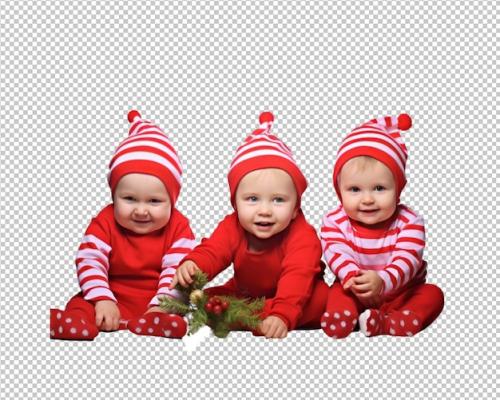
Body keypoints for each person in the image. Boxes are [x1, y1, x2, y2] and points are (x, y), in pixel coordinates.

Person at [171, 112, 328, 339]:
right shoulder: (233, 226)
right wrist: (194, 264)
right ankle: (245, 315)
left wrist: (282, 314)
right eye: (252, 199)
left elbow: (298, 276)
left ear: (295, 208)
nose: (264, 210)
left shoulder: (303, 236)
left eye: (278, 200)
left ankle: (252, 318)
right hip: (248, 294)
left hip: (296, 295)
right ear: (235, 203)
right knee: (205, 299)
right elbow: (214, 251)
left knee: (320, 300)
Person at [50, 110, 196, 340]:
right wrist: (102, 299)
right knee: (80, 304)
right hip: (109, 297)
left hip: (157, 301)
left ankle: (158, 321)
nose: (140, 210)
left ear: (172, 200)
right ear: (114, 195)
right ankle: (72, 322)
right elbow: (89, 260)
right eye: (129, 199)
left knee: (177, 307)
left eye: (154, 201)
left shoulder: (179, 227)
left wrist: (162, 305)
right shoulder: (105, 221)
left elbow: (177, 272)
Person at [320, 114, 444, 338]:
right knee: (337, 291)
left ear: (398, 188)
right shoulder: (334, 221)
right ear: (339, 190)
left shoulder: (409, 221)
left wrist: (383, 281)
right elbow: (336, 252)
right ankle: (344, 316)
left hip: (400, 292)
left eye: (379, 188)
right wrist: (354, 278)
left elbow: (407, 258)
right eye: (355, 190)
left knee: (433, 294)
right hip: (355, 289)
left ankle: (392, 322)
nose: (367, 199)